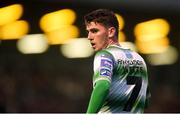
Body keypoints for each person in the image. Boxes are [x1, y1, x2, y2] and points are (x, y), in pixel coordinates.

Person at [84, 9, 150, 113]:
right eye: (88, 32)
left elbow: (103, 86)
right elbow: (146, 100)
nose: (89, 37)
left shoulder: (105, 55)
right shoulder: (140, 59)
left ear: (111, 32)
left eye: (94, 31)